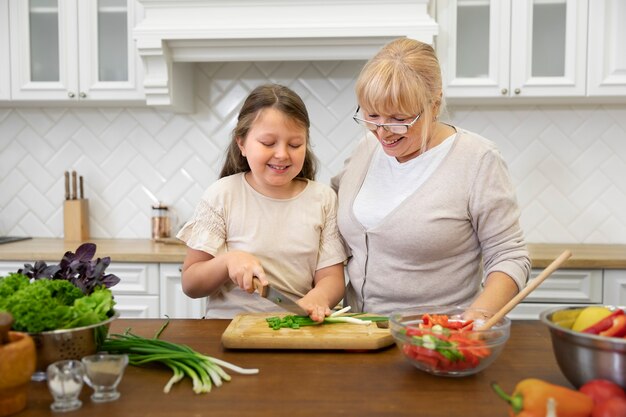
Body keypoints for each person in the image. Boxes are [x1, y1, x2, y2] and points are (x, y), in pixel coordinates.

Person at [331, 38, 530, 315]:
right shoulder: (365, 149)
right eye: (372, 115)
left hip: (435, 339)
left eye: (399, 119)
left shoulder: (477, 159)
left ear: (434, 104)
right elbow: (329, 226)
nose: (383, 132)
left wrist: (478, 316)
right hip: (358, 337)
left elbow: (509, 256)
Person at [177, 84, 347, 321]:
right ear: (242, 144)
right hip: (226, 329)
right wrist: (227, 261)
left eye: (295, 144)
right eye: (268, 143)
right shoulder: (222, 195)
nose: (282, 154)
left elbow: (332, 279)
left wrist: (320, 297)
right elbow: (191, 284)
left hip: (296, 329)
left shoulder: (323, 199)